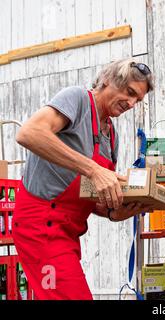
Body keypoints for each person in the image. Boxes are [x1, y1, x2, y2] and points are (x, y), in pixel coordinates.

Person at [13, 58, 154, 300]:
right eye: (129, 92)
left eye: (137, 100)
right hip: (40, 228)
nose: (131, 103)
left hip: (67, 234)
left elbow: (89, 193)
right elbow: (29, 133)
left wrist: (112, 212)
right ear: (108, 80)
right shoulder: (77, 99)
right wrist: (93, 169)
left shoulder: (111, 135)